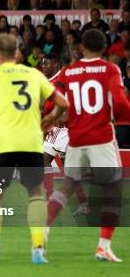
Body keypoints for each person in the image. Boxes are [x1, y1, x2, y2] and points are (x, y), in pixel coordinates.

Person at [0, 33, 68, 265]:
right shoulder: (34, 74)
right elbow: (63, 103)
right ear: (17, 53)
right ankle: (37, 250)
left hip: (2, 141)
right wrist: (49, 119)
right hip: (31, 142)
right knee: (36, 193)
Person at [47, 29, 130, 262]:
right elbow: (121, 104)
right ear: (104, 48)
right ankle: (103, 246)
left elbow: (55, 102)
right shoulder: (110, 69)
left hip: (75, 137)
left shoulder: (68, 72)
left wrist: (51, 118)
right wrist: (120, 114)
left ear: (81, 47)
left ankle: (41, 236)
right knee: (112, 189)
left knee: (67, 186)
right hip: (101, 137)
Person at [40, 54, 87, 212]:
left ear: (56, 63)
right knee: (46, 160)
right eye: (42, 63)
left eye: (47, 62)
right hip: (56, 128)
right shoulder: (50, 81)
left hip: (66, 128)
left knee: (67, 166)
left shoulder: (62, 78)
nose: (44, 65)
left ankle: (82, 203)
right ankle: (52, 197)